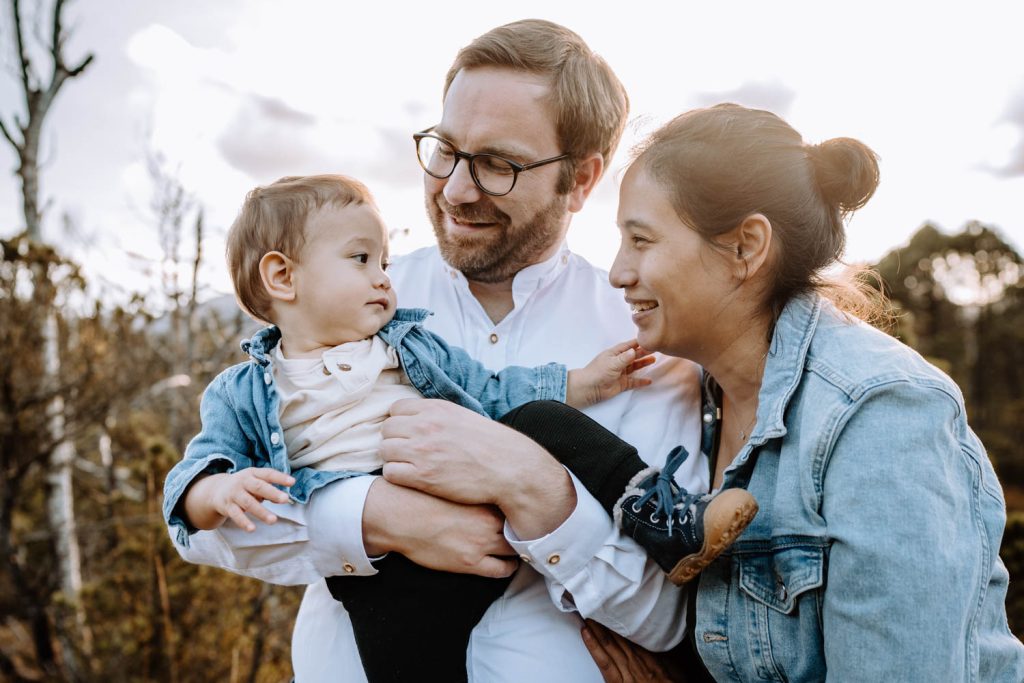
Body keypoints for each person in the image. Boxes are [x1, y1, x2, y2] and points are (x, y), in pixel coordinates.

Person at [172, 20, 711, 682]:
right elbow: (204, 530)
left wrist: (535, 489)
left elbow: (666, 614)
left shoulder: (645, 346)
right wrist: (372, 518)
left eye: (497, 164)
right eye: (446, 150)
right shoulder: (338, 299)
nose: (456, 189)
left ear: (580, 179)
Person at [582, 102, 1024, 680]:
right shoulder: (695, 396)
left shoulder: (880, 414)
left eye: (641, 239)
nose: (618, 272)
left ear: (746, 247)